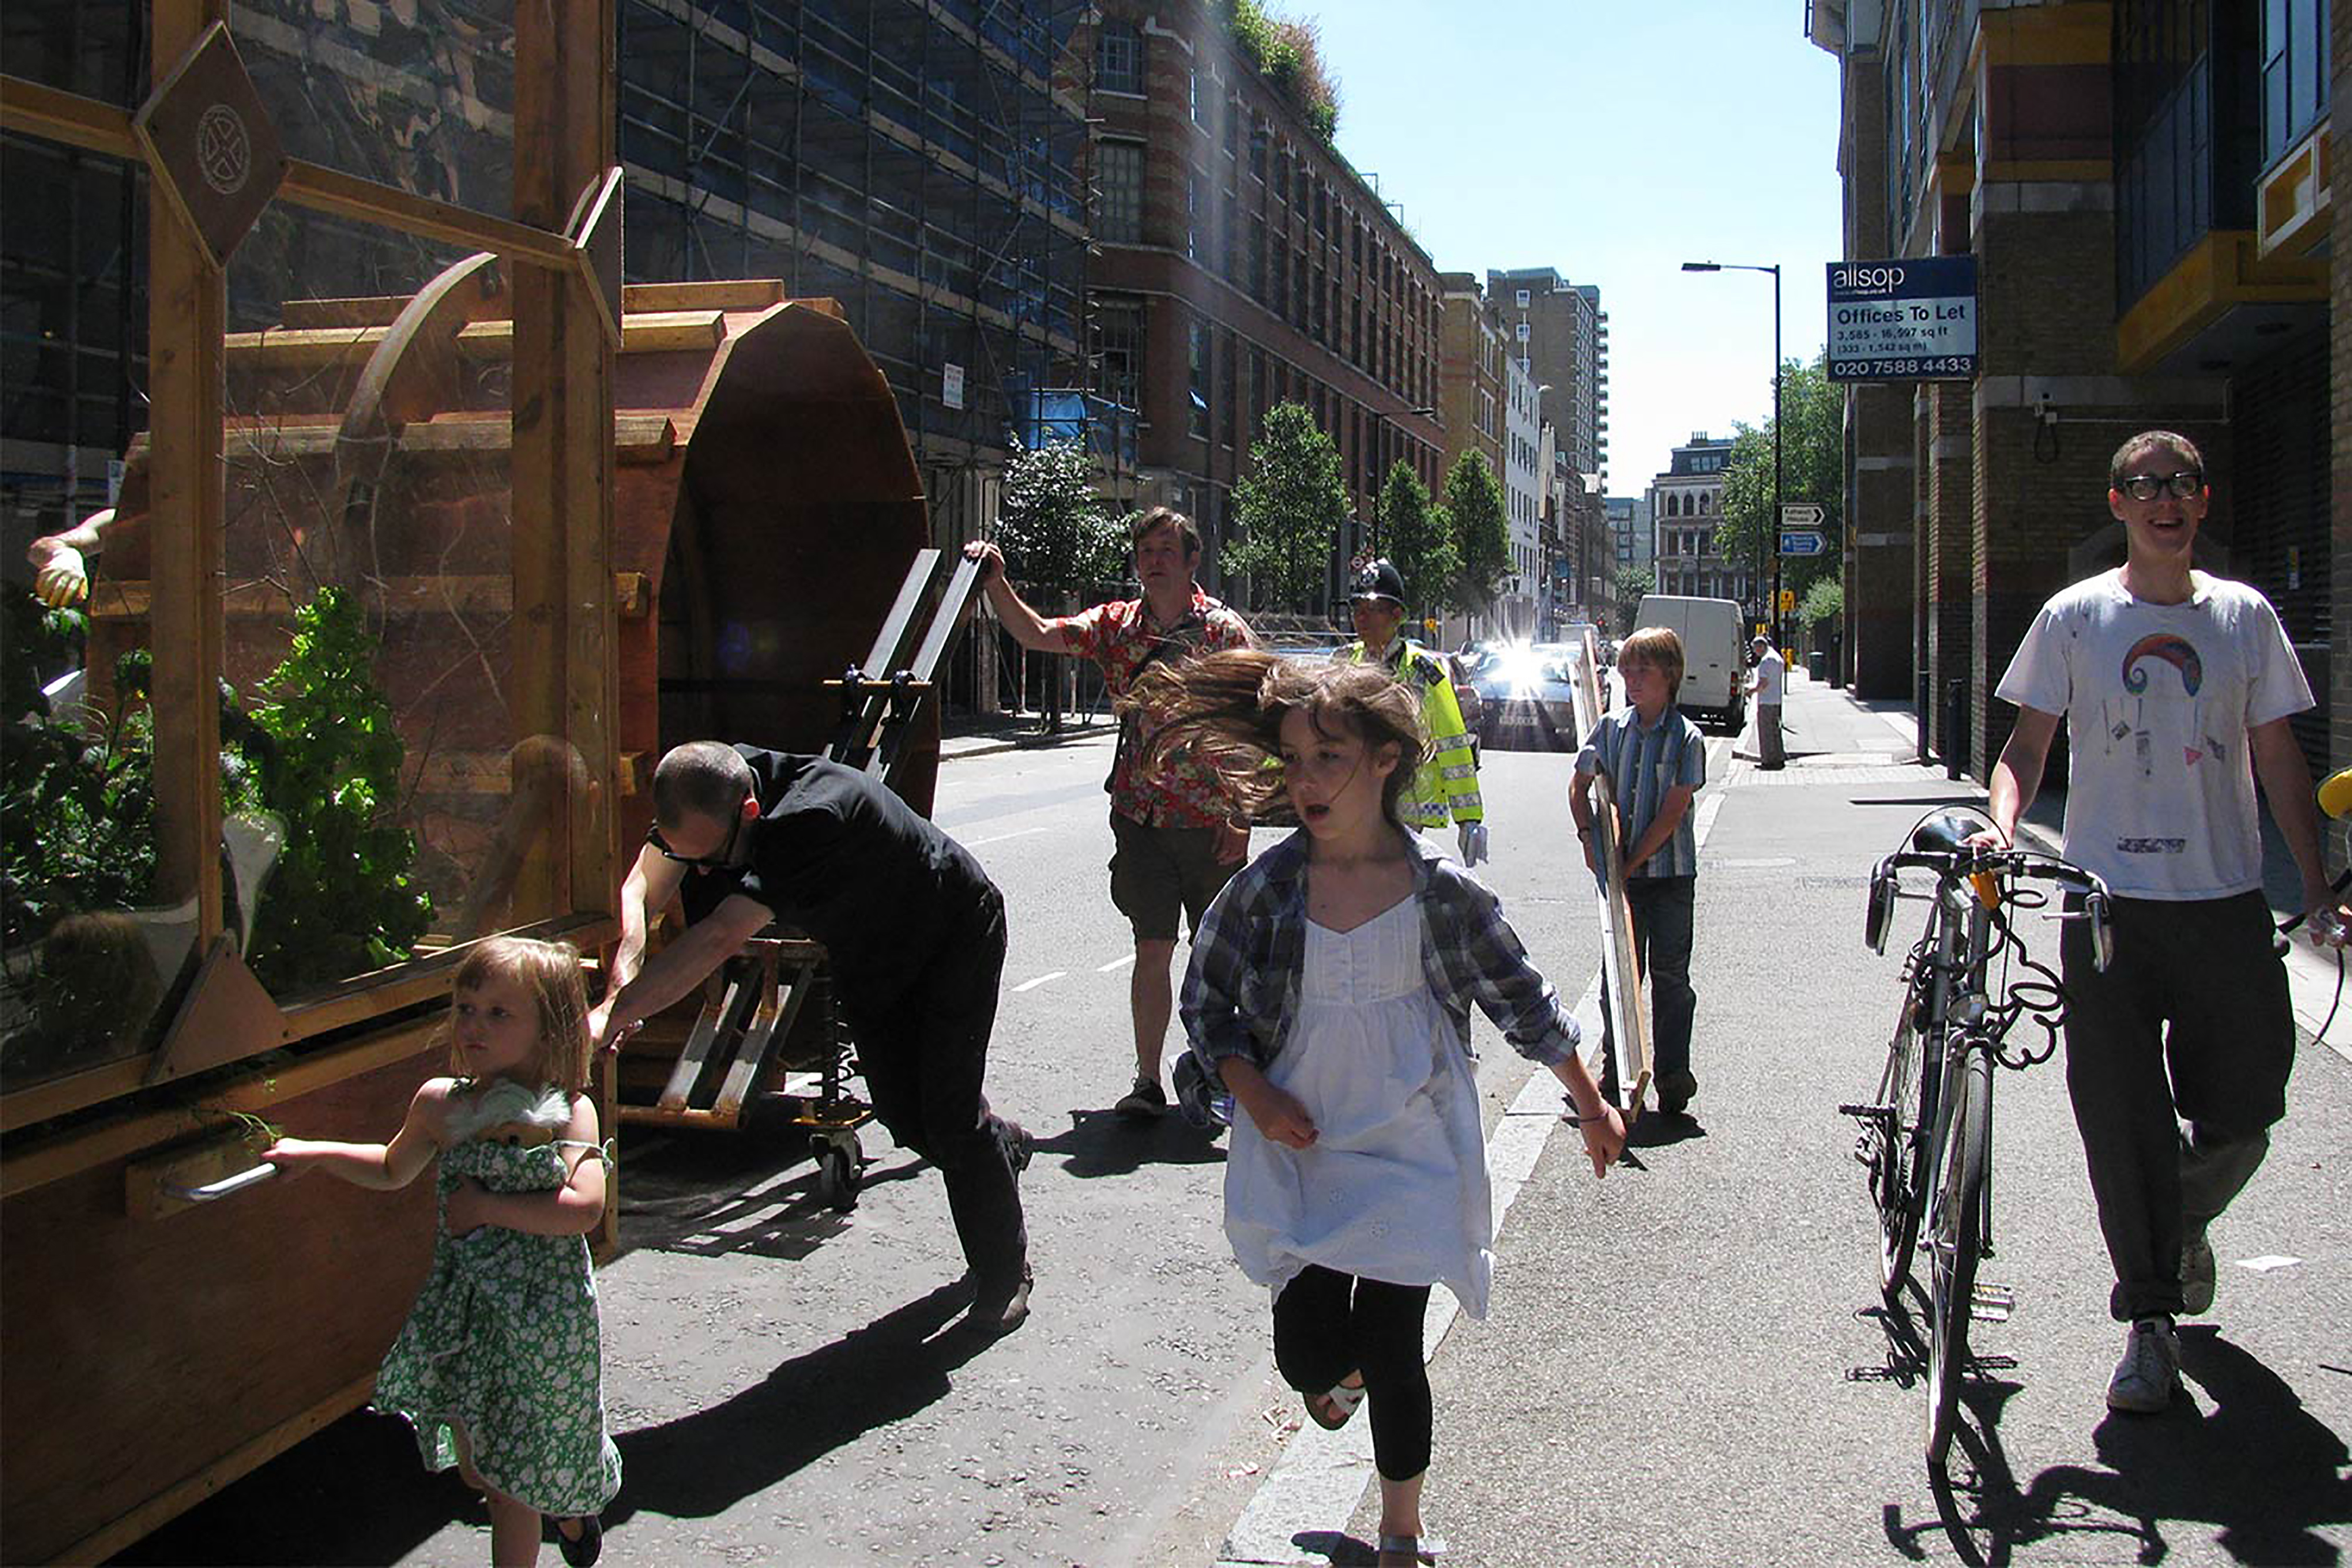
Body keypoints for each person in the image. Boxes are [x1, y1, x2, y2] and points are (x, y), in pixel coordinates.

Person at [1139, 650, 1624, 1568]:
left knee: (1396, 1342)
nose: (1306, 779)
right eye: (1293, 759)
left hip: (1414, 1140)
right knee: (1304, 1351)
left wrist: (1591, 1103)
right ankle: (1339, 1376)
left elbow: (1522, 999)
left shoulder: (1442, 894)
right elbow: (1206, 1007)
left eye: (1329, 757)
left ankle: (1401, 1529)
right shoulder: (1267, 889)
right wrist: (1253, 1091)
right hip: (1302, 1144)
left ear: (1386, 760)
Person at [1983, 429, 2346, 1415]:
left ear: (2203, 500)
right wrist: (2002, 827)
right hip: (2105, 910)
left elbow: (2277, 759)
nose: (2164, 500)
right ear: (2117, 505)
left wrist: (2314, 884)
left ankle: (2172, 1218)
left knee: (2249, 1106)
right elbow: (2025, 747)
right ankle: (2149, 1319)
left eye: (2179, 484)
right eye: (2145, 486)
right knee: (2122, 1119)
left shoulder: (2245, 619)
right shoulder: (2073, 617)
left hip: (2225, 905)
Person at [587, 742, 1035, 1332]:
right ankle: (997, 1148)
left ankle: (1005, 1271)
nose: (700, 871)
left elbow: (720, 937)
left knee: (950, 1117)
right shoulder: (705, 787)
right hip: (868, 951)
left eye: (710, 858)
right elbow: (641, 889)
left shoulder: (810, 817)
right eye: (686, 855)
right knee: (904, 1115)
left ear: (748, 811)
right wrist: (625, 975)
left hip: (951, 937)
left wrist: (611, 1016)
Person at [264, 937, 622, 1567]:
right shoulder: (441, 1103)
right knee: (482, 1469)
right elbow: (390, 1167)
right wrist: (314, 1152)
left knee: (511, 1483)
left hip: (544, 1318)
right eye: (465, 1008)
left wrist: (488, 1208)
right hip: (465, 1310)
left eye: (498, 1013)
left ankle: (549, 1505)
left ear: (550, 1028)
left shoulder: (569, 1113)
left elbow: (584, 1209)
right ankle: (564, 1507)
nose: (473, 1025)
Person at [964, 507, 1255, 1119]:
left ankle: (1223, 1075)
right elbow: (1039, 633)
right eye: (1145, 550)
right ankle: (1148, 1081)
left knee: (1220, 962)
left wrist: (1242, 812)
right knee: (1152, 948)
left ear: (1192, 559)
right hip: (1141, 819)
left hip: (1208, 825)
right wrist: (995, 582)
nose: (1153, 560)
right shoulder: (1118, 627)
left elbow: (1253, 723)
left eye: (1166, 549)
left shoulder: (1223, 633)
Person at [1571, 626, 1707, 1117]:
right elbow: (1578, 786)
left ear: (1669, 675)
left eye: (1642, 669)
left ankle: (1673, 1075)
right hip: (1622, 877)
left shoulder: (1687, 738)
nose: (1631, 678)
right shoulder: (1609, 729)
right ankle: (1617, 1068)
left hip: (1669, 878)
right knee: (1619, 979)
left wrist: (1626, 863)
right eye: (1627, 668)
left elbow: (1672, 816)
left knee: (1670, 979)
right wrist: (1590, 838)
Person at [1335, 558, 1488, 867]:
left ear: (1397, 616)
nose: (1362, 618)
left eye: (1373, 609)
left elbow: (1452, 741)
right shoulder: (1342, 664)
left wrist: (1469, 818)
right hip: (1351, 798)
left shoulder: (1423, 671)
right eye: (1357, 609)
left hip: (1406, 803)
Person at [1745, 633, 1786, 770]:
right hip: (1777, 701)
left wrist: (1751, 691)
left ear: (1762, 646)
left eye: (1755, 649)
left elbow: (1763, 684)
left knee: (1766, 732)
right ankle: (1779, 758)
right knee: (1776, 731)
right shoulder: (1777, 658)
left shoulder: (1766, 661)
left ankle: (1768, 761)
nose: (1755, 652)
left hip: (1766, 701)